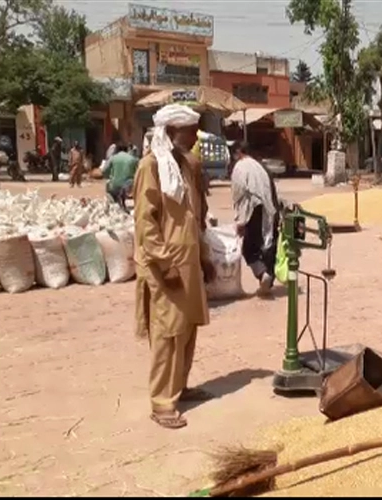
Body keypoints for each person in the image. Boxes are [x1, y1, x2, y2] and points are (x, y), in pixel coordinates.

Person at [132, 103, 217, 430]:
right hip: (164, 265)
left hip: (189, 262)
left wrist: (204, 257)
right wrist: (163, 261)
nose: (194, 136)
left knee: (188, 328)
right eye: (189, 131)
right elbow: (145, 222)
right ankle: (162, 402)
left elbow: (195, 217)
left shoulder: (187, 167)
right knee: (167, 333)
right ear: (170, 132)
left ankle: (179, 387)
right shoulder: (151, 167)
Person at [230, 141, 280, 296]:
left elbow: (240, 195)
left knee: (248, 248)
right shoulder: (261, 167)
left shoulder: (240, 167)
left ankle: (262, 274)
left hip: (253, 210)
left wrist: (240, 220)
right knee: (267, 245)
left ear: (238, 152)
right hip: (269, 210)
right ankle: (268, 281)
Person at [103, 143, 138, 209]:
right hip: (129, 188)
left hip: (114, 186)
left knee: (108, 183)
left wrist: (109, 176)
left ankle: (113, 201)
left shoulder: (113, 158)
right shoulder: (134, 159)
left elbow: (104, 171)